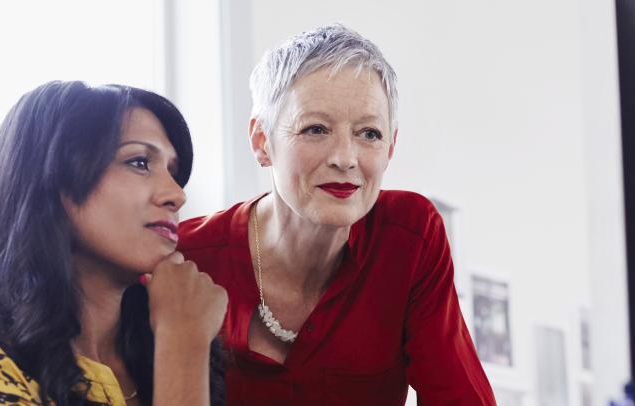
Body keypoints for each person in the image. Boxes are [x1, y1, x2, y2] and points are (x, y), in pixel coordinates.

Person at [177, 24, 496, 405]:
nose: (345, 158)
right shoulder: (183, 258)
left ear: (391, 147)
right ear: (262, 142)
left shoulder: (409, 237)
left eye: (369, 134)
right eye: (315, 129)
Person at [0, 81, 227, 406]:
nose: (176, 195)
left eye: (174, 172)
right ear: (53, 178)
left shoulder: (162, 351)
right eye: (139, 162)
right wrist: (182, 342)